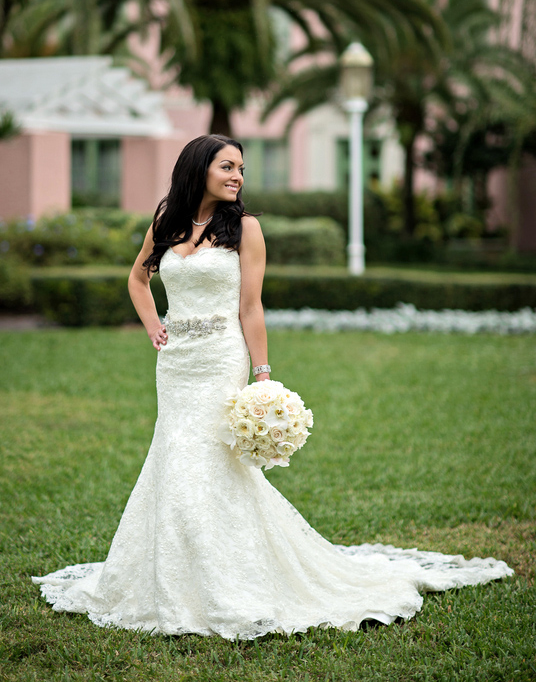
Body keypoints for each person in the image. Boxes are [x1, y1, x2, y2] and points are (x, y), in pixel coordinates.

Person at [33, 134, 513, 639]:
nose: (238, 175)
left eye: (241, 168)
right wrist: (154, 324)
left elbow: (250, 307)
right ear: (199, 168)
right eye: (227, 166)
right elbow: (137, 279)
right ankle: (172, 575)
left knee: (208, 456)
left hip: (221, 356)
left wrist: (262, 375)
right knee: (173, 455)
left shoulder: (245, 228)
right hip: (175, 365)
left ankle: (228, 579)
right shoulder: (165, 223)